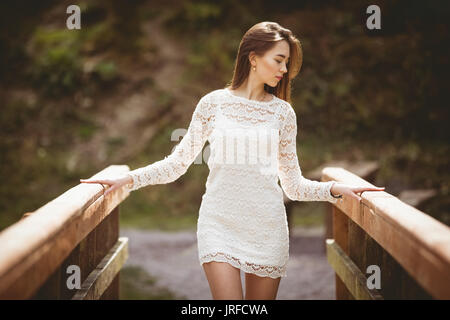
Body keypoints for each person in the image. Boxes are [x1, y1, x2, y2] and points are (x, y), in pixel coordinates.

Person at [80, 21, 385, 300]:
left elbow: (293, 186)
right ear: (253, 57)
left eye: (287, 63)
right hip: (218, 223)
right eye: (279, 60)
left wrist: (334, 191)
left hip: (267, 227)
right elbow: (177, 164)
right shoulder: (213, 104)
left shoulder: (283, 113)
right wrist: (128, 179)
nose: (284, 69)